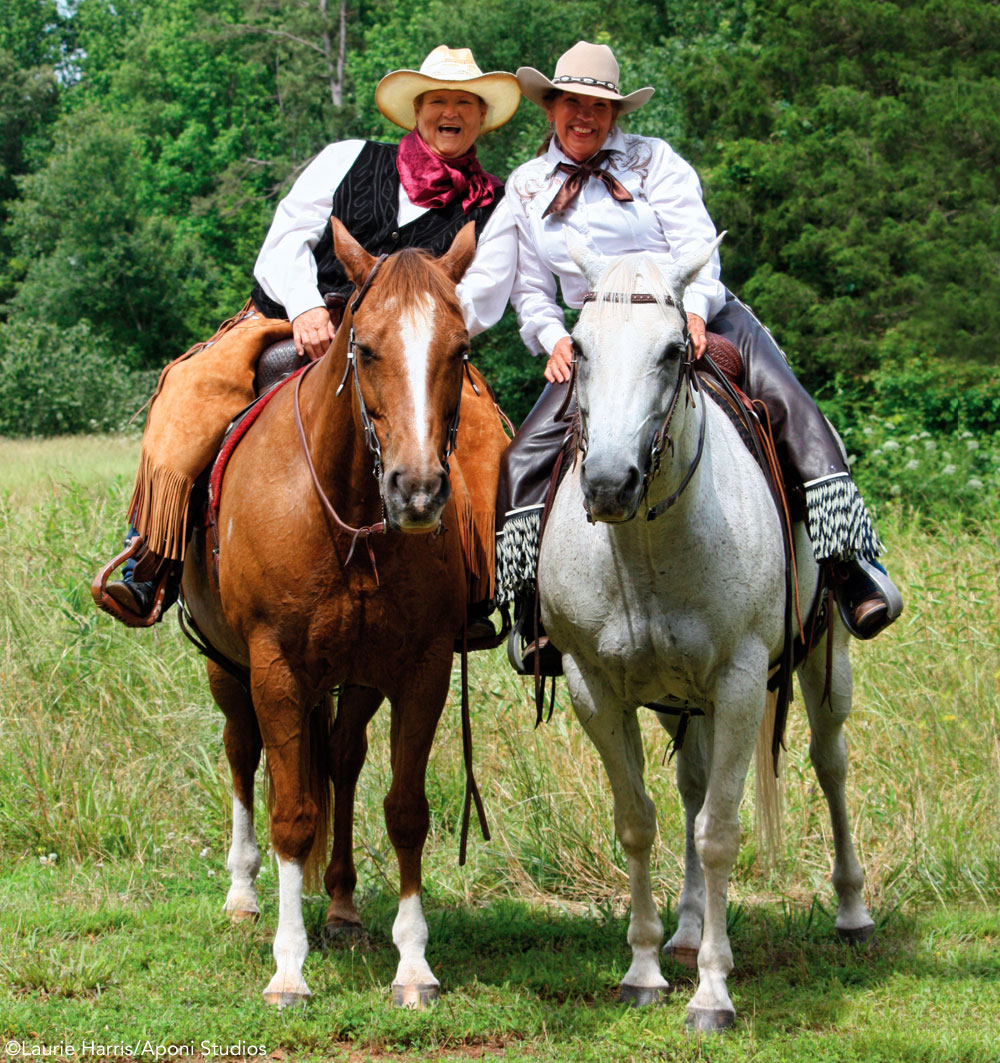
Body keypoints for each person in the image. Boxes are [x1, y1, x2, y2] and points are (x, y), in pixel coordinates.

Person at [495, 41, 902, 671]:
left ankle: (850, 570)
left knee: (791, 407)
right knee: (523, 457)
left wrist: (694, 310)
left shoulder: (655, 160)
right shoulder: (524, 186)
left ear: (615, 113)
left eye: (599, 106)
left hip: (691, 309)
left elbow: (698, 246)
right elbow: (528, 289)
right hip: (601, 335)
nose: (585, 117)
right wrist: (552, 340)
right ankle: (535, 612)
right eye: (572, 103)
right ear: (550, 107)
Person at [97, 46, 521, 638]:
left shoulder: (497, 204)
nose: (450, 113)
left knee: (483, 437)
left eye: (464, 104)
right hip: (295, 320)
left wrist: (407, 331)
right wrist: (304, 307)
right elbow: (285, 240)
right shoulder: (346, 158)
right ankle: (153, 555)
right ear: (417, 111)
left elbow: (484, 294)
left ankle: (476, 593)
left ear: (480, 118)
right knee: (192, 389)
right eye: (438, 101)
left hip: (416, 347)